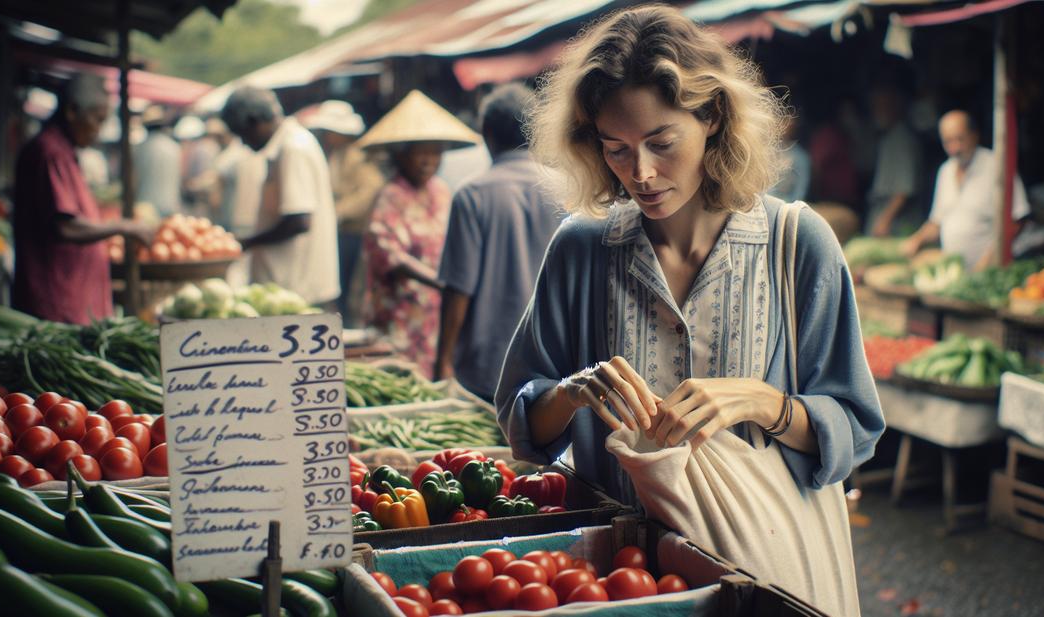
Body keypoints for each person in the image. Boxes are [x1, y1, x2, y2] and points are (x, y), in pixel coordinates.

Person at [496, 7, 883, 615]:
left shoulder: (797, 243)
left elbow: (855, 427)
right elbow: (522, 421)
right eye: (616, 149)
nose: (641, 173)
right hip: (624, 582)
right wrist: (572, 393)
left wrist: (765, 402)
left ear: (712, 118)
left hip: (765, 567)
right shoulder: (581, 248)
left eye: (661, 143)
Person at [434, 84, 564, 402]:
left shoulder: (473, 194)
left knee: (484, 452)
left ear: (486, 133)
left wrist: (443, 360)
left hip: (488, 365)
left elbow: (459, 288)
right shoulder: (568, 190)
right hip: (556, 360)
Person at [12, 73, 155, 324]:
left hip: (72, 299)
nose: (98, 131)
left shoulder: (63, 151)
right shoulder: (50, 152)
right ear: (72, 111)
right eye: (97, 120)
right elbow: (66, 226)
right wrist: (124, 226)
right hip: (57, 301)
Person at [357, 90, 481, 377]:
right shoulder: (391, 195)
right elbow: (391, 256)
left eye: (435, 152)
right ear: (401, 155)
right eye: (420, 152)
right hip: (399, 315)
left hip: (435, 315)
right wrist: (443, 283)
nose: (428, 160)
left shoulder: (441, 191)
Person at [220, 87, 340, 308]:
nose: (244, 143)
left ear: (256, 121)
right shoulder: (289, 144)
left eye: (243, 134)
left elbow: (298, 221)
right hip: (288, 288)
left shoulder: (293, 148)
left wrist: (247, 242)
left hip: (296, 289)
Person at [902, 110, 1031, 270]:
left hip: (991, 272)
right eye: (948, 142)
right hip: (955, 273)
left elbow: (1017, 220)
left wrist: (988, 260)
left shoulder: (997, 166)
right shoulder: (945, 171)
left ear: (975, 135)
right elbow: (937, 222)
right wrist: (917, 239)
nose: (955, 148)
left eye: (960, 139)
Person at [303, 101, 385, 325]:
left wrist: (336, 212)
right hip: (341, 230)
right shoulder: (337, 155)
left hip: (353, 232)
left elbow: (369, 191)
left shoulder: (358, 157)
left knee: (349, 286)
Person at [864, 86, 922, 237]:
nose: (876, 112)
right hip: (883, 212)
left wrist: (884, 220)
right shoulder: (888, 137)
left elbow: (904, 190)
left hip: (897, 220)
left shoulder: (901, 139)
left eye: (882, 107)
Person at [133, 105, 182, 217]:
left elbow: (134, 178)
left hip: (146, 207)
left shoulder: (140, 148)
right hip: (170, 204)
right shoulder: (174, 147)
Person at [769, 113, 810, 203]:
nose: (787, 125)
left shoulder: (801, 156)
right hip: (769, 205)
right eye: (784, 120)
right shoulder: (767, 152)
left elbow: (801, 188)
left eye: (790, 121)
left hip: (790, 206)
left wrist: (789, 208)